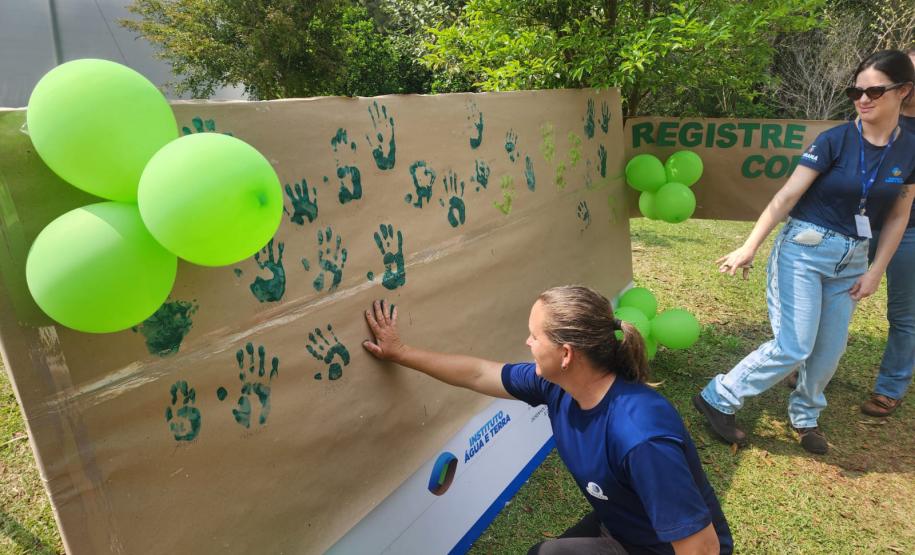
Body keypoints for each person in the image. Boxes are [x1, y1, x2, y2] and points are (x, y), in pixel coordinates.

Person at [362, 288, 733, 555]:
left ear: (566, 353)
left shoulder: (639, 435)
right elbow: (478, 374)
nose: (527, 342)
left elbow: (702, 548)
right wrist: (401, 352)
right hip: (627, 528)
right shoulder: (558, 385)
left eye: (535, 336)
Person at [694, 50, 915, 454]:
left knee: (830, 349)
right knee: (794, 345)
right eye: (856, 91)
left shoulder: (910, 149)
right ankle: (718, 397)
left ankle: (805, 415)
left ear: (903, 91)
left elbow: (900, 214)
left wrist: (876, 270)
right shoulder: (834, 140)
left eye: (874, 91)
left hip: (853, 260)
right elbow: (785, 197)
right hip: (805, 250)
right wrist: (750, 246)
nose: (862, 99)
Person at [859, 47, 915, 417]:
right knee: (834, 300)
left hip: (910, 232)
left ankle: (890, 387)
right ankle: (811, 369)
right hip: (859, 225)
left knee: (905, 315)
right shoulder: (874, 111)